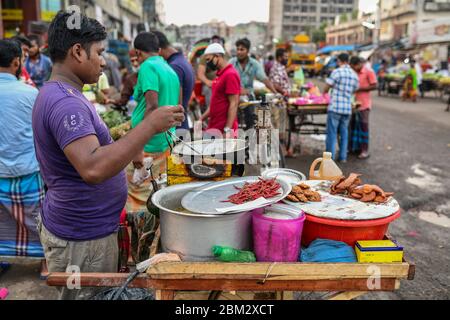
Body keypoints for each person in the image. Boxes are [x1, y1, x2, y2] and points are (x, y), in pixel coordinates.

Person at [32, 12, 184, 300]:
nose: (103, 62)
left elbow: (91, 150)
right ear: (77, 51)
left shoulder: (63, 93)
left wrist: (124, 140)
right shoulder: (67, 103)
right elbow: (92, 168)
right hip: (82, 239)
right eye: (99, 53)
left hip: (85, 231)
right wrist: (148, 125)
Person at [127, 32, 181, 213]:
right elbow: (178, 105)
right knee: (156, 193)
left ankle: (139, 237)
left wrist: (137, 148)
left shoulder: (147, 67)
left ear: (138, 53)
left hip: (148, 145)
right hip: (164, 141)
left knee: (138, 198)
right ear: (157, 50)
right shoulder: (169, 69)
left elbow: (152, 105)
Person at [0, 40, 44, 259]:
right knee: (37, 219)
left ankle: (4, 258)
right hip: (28, 170)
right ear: (17, 62)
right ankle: (44, 261)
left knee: (2, 224)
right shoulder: (30, 93)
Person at [229, 38, 277, 130]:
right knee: (230, 119)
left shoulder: (254, 64)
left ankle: (249, 135)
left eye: (242, 49)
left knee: (251, 119)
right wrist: (237, 90)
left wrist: (275, 92)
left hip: (248, 96)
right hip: (233, 95)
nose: (239, 52)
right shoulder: (231, 62)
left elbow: (264, 79)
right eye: (238, 49)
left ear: (247, 51)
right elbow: (224, 78)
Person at [153, 30, 195, 130]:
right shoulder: (182, 61)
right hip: (182, 124)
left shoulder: (174, 67)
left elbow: (177, 103)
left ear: (158, 50)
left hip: (176, 127)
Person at [323, 53, 359, 163]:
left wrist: (325, 93)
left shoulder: (337, 72)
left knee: (332, 133)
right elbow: (355, 89)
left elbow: (327, 86)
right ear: (347, 61)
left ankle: (330, 159)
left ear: (339, 61)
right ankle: (343, 157)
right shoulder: (354, 74)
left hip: (335, 107)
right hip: (347, 108)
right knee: (344, 133)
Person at [199, 43, 241, 135]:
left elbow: (233, 103)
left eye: (208, 60)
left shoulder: (230, 74)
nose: (207, 63)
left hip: (223, 130)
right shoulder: (219, 75)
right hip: (214, 127)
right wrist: (201, 118)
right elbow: (214, 104)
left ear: (217, 56)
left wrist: (227, 130)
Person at [350, 56, 377, 160]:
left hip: (364, 104)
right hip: (353, 103)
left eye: (354, 66)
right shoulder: (353, 72)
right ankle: (354, 148)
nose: (353, 68)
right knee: (353, 127)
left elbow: (374, 85)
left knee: (363, 127)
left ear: (359, 64)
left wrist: (359, 89)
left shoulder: (369, 71)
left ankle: (364, 150)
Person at [269, 48, 292, 151]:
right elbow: (274, 84)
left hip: (283, 101)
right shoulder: (276, 68)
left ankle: (282, 149)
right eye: (285, 57)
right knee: (278, 125)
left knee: (282, 125)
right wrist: (284, 92)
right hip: (278, 101)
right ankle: (279, 150)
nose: (287, 59)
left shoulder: (282, 67)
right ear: (279, 57)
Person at [197, 36, 225, 108]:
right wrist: (208, 82)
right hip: (209, 84)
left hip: (222, 82)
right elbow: (200, 74)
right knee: (209, 91)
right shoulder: (205, 56)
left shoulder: (225, 54)